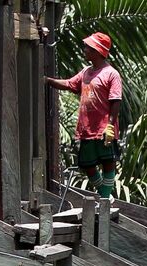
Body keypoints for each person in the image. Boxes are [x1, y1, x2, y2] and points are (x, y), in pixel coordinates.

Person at [45, 32, 122, 199]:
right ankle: (105, 196)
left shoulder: (111, 74)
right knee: (88, 164)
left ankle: (104, 199)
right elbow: (69, 83)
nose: (84, 50)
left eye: (88, 47)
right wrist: (48, 81)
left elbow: (116, 100)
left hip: (103, 129)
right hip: (87, 129)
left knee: (108, 163)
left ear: (97, 51)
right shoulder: (86, 72)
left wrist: (110, 125)